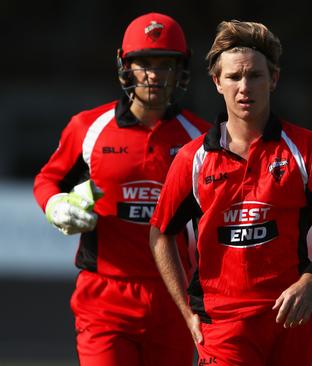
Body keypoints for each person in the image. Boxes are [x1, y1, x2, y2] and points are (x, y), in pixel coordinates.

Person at [149, 20, 312, 366]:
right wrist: (185, 310)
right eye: (234, 77)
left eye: (254, 76)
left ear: (274, 79)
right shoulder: (192, 159)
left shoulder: (307, 147)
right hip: (222, 326)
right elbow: (161, 234)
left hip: (291, 318)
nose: (244, 87)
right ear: (217, 82)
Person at [33, 12, 212, 366]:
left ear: (181, 71)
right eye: (144, 63)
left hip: (173, 299)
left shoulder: (201, 138)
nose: (154, 75)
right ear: (125, 67)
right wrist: (55, 205)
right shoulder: (88, 127)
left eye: (165, 64)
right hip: (104, 298)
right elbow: (47, 178)